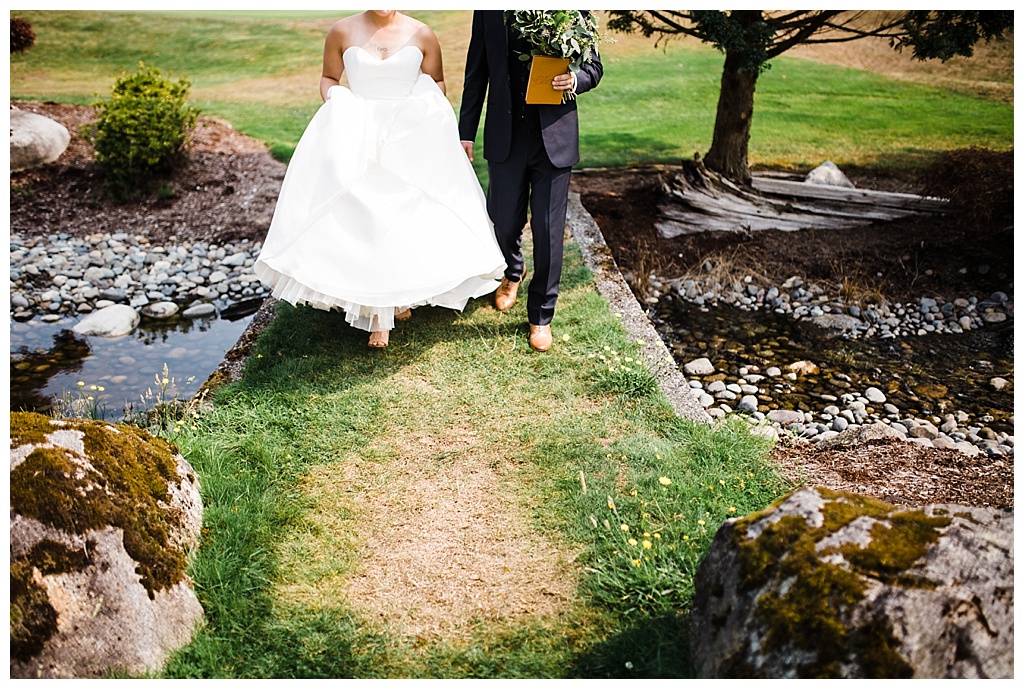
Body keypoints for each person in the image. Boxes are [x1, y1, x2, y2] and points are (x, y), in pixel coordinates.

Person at [254, 10, 506, 348]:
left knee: (402, 217)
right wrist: (339, 101)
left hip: (407, 135)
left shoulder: (422, 33)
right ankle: (377, 314)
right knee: (366, 220)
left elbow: (438, 83)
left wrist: (419, 108)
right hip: (357, 134)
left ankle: (399, 297)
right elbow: (329, 78)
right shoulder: (341, 31)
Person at [458, 10, 603, 352]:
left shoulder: (572, 8)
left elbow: (594, 67)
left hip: (554, 135)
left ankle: (541, 316)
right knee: (504, 221)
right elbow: (476, 72)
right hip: (505, 134)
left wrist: (574, 80)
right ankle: (513, 271)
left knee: (549, 230)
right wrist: (466, 131)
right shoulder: (488, 11)